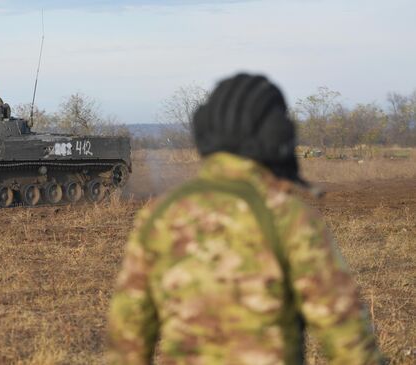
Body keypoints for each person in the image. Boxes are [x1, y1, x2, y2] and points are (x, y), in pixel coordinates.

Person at [106, 74, 383, 365]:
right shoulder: (288, 217)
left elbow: (127, 338)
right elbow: (349, 343)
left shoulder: (159, 215)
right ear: (275, 134)